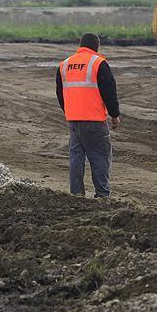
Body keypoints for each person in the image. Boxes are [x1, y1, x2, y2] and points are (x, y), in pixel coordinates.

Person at [56, 33, 121, 198]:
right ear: (97, 46)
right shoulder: (98, 63)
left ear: (80, 44)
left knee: (76, 158)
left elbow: (60, 93)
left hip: (74, 120)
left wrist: (70, 111)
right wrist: (114, 115)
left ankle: (76, 194)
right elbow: (109, 92)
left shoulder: (65, 64)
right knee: (100, 157)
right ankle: (102, 195)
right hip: (94, 120)